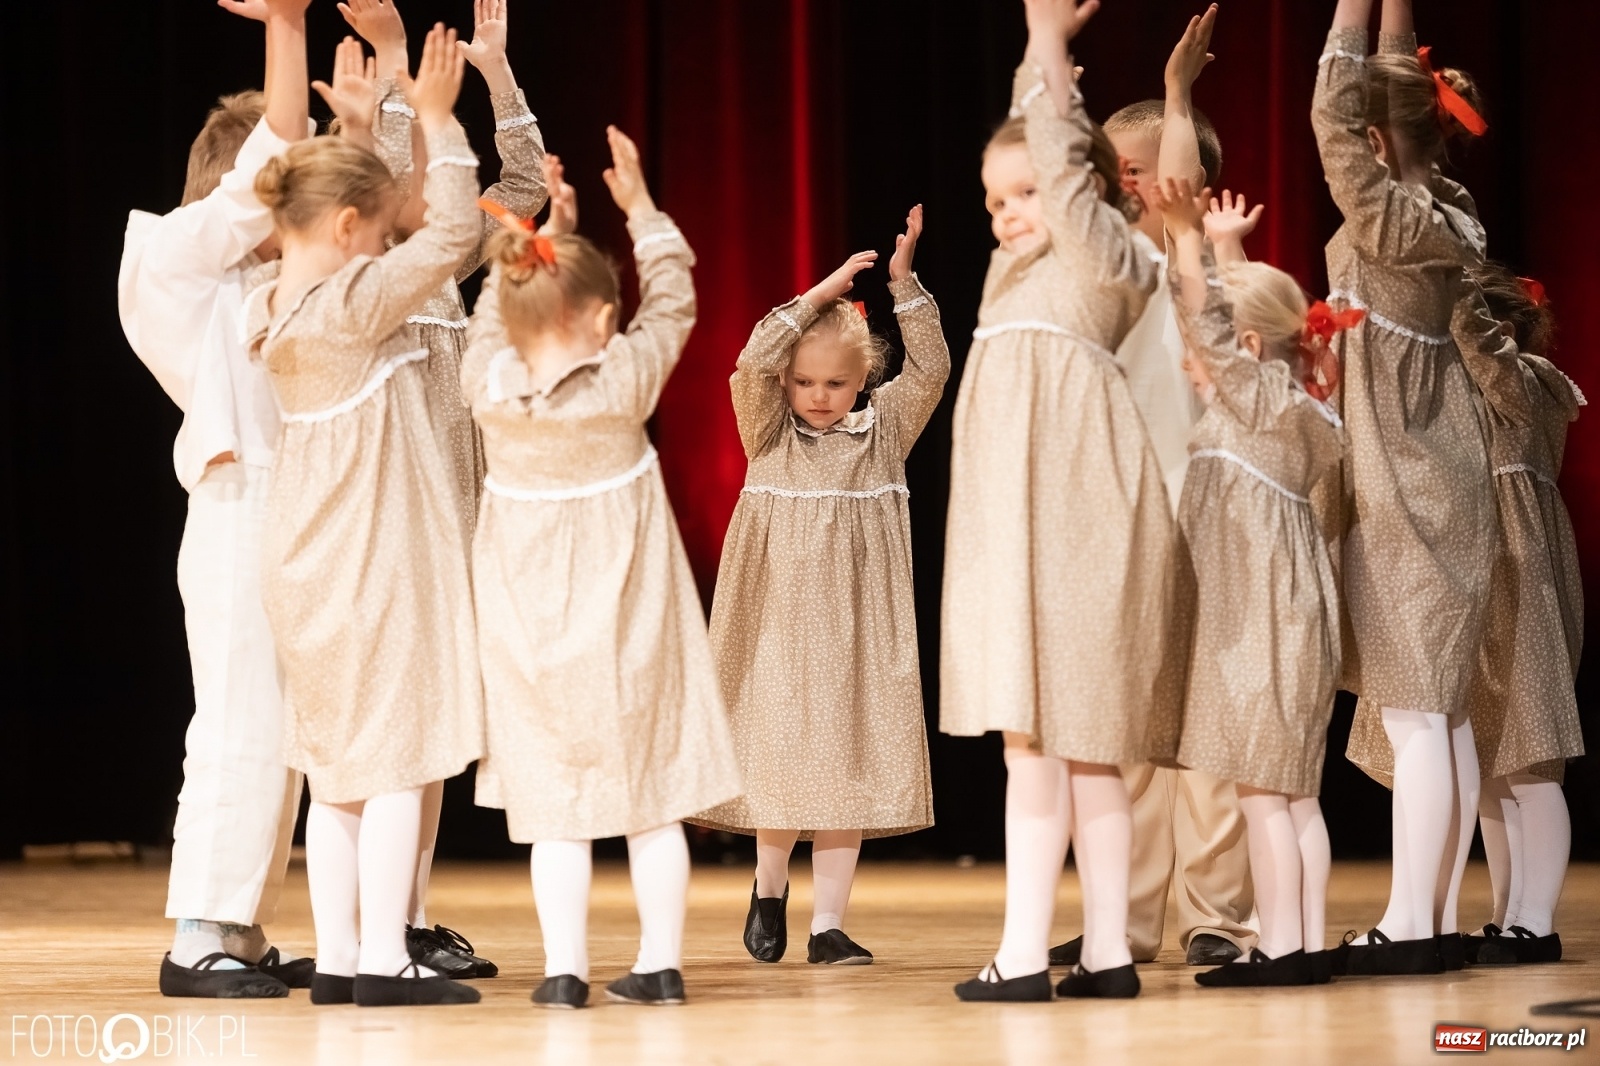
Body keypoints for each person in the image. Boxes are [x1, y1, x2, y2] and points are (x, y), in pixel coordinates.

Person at [463, 126, 743, 1010]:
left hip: (531, 625)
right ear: (597, 320)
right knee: (651, 794)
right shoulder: (623, 380)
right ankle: (659, 963)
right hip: (632, 621)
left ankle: (564, 971)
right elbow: (676, 301)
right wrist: (642, 211)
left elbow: (490, 312)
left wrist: (545, 236)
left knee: (554, 805)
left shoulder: (487, 387)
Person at [244, 24, 485, 1007]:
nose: (392, 240)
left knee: (338, 763)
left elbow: (379, 215)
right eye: (379, 228)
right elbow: (457, 233)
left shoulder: (277, 301)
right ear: (349, 229)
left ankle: (342, 954)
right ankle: (385, 956)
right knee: (392, 753)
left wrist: (361, 133)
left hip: (306, 553)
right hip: (365, 552)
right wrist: (431, 118)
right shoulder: (351, 306)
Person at [944, 0, 1174, 1002]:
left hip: (1075, 519)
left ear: (1081, 191)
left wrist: (1044, 48)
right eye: (993, 202)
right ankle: (1103, 952)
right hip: (1021, 525)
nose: (1008, 214)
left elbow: (1059, 156)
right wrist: (1038, 79)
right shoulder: (1014, 270)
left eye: (1027, 194)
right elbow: (1034, 146)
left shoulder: (1100, 257)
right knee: (1058, 743)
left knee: (1059, 737)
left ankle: (1026, 952)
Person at [1313, 0, 1520, 975]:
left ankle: (1412, 921)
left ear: (1373, 137)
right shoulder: (1450, 209)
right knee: (1435, 711)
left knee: (1415, 711)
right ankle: (1426, 913)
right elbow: (1389, 101)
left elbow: (1329, 114)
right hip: (1446, 477)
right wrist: (1395, 14)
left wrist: (1351, 11)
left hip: (1407, 485)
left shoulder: (1392, 220)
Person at [117, 0, 313, 999]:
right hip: (239, 509)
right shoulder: (173, 258)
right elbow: (268, 160)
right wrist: (287, 29)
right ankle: (197, 929)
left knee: (281, 731)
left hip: (290, 511)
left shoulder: (266, 285)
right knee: (240, 715)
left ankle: (237, 925)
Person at [690, 207, 948, 966]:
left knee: (848, 767)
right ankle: (769, 890)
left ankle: (828, 922)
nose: (820, 395)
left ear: (864, 377)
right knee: (783, 763)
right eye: (804, 381)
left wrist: (903, 287)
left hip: (859, 633)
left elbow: (930, 368)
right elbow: (746, 363)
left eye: (836, 382)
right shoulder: (766, 433)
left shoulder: (886, 434)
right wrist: (816, 295)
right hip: (777, 628)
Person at [1153, 175, 1349, 987]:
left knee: (1268, 794)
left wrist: (1188, 238)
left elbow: (1218, 318)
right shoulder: (1294, 400)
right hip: (1291, 612)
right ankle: (1294, 941)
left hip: (1264, 619)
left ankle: (1283, 949)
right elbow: (1253, 320)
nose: (1196, 365)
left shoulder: (1256, 395)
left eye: (1204, 354)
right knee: (1293, 796)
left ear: (1247, 352)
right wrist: (1231, 250)